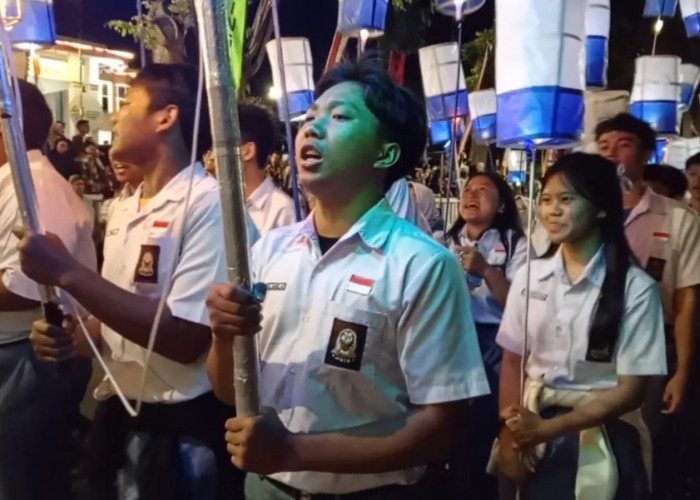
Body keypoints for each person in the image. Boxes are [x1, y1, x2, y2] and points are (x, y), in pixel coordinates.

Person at [206, 59, 489, 499]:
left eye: (339, 117)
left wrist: (293, 452)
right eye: (311, 117)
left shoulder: (422, 264)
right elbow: (229, 390)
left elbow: (441, 425)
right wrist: (224, 335)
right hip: (265, 488)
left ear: (385, 153)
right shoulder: (269, 251)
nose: (311, 129)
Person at [16, 63, 258, 500]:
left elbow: (185, 337)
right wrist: (76, 337)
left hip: (183, 429)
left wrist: (67, 273)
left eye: (126, 103)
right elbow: (116, 324)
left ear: (166, 117)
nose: (114, 116)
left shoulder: (209, 205)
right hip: (120, 412)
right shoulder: (124, 207)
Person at [496, 153, 666, 499]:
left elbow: (631, 389)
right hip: (531, 424)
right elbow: (513, 359)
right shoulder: (530, 277)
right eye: (546, 200)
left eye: (567, 199)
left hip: (604, 432)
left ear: (602, 207)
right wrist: (511, 434)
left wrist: (548, 429)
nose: (552, 211)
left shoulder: (635, 288)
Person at [0, 79, 96, 500]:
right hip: (19, 353)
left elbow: (25, 287)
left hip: (32, 355)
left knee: (24, 479)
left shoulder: (33, 184)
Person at [444, 171, 527, 499]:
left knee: (484, 425)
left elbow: (518, 306)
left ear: (502, 203)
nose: (471, 195)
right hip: (450, 340)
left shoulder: (515, 244)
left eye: (483, 190)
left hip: (494, 343)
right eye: (467, 189)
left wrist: (487, 271)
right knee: (449, 423)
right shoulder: (443, 242)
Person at [238, 103, 296, 234]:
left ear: (247, 151)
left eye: (221, 146)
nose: (212, 156)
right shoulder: (221, 205)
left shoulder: (282, 211)